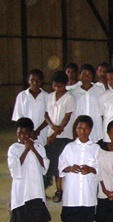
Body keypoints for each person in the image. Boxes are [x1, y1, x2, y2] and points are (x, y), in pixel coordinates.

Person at [8, 117, 51, 222]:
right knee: (23, 200)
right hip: (22, 183)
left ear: (31, 133)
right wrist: (26, 150)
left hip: (35, 182)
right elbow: (14, 166)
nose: (22, 136)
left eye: (25, 133)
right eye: (19, 133)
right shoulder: (14, 148)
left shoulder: (38, 146)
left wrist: (33, 149)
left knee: (36, 197)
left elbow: (44, 164)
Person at [59, 115, 99, 222]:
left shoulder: (96, 148)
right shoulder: (69, 147)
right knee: (68, 219)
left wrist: (91, 169)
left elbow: (100, 167)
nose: (83, 131)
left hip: (88, 189)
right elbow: (61, 164)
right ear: (76, 130)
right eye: (80, 128)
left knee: (87, 220)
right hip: (72, 190)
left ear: (90, 130)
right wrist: (70, 168)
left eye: (86, 128)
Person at [44, 71, 76, 202]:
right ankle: (54, 189)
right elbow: (46, 115)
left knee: (60, 164)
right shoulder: (50, 97)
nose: (57, 89)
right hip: (51, 134)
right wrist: (52, 128)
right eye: (55, 86)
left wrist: (56, 132)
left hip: (64, 136)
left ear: (66, 85)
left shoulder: (69, 98)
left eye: (60, 86)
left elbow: (67, 117)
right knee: (52, 164)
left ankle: (60, 190)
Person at [12, 69, 49, 145]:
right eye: (32, 80)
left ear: (42, 81)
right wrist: (28, 131)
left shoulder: (47, 96)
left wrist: (38, 130)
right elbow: (19, 118)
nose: (35, 83)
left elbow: (49, 117)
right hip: (25, 134)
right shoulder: (22, 96)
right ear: (28, 81)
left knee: (40, 152)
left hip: (41, 133)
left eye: (38, 80)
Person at [71, 63, 105, 143]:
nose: (86, 77)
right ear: (79, 75)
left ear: (93, 76)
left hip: (96, 129)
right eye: (84, 74)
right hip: (80, 129)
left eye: (89, 75)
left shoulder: (99, 91)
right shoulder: (74, 92)